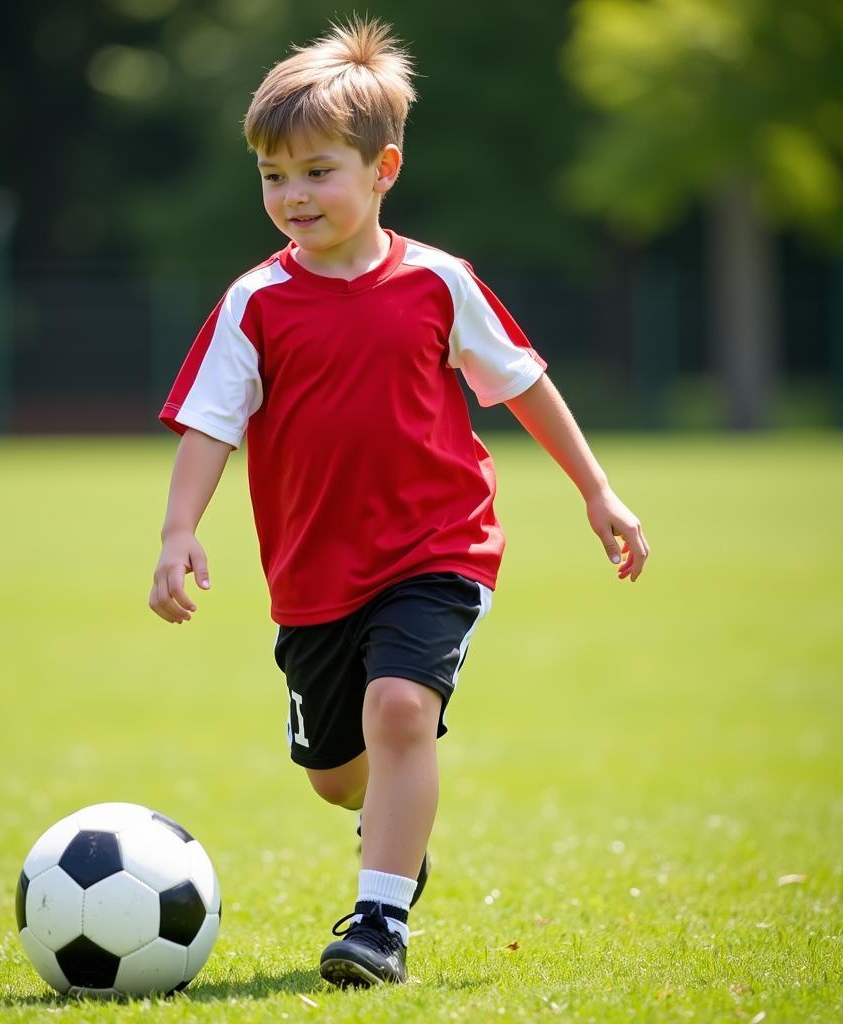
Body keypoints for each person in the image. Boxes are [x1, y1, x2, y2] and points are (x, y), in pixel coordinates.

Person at [149, 16, 650, 988]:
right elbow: (209, 423)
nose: (291, 195)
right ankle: (390, 829)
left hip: (437, 547)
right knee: (336, 773)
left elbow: (525, 384)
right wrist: (178, 531)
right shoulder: (255, 302)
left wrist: (597, 491)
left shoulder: (437, 283)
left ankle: (378, 917)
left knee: (400, 708)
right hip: (311, 576)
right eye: (272, 175)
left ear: (383, 168)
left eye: (315, 170)